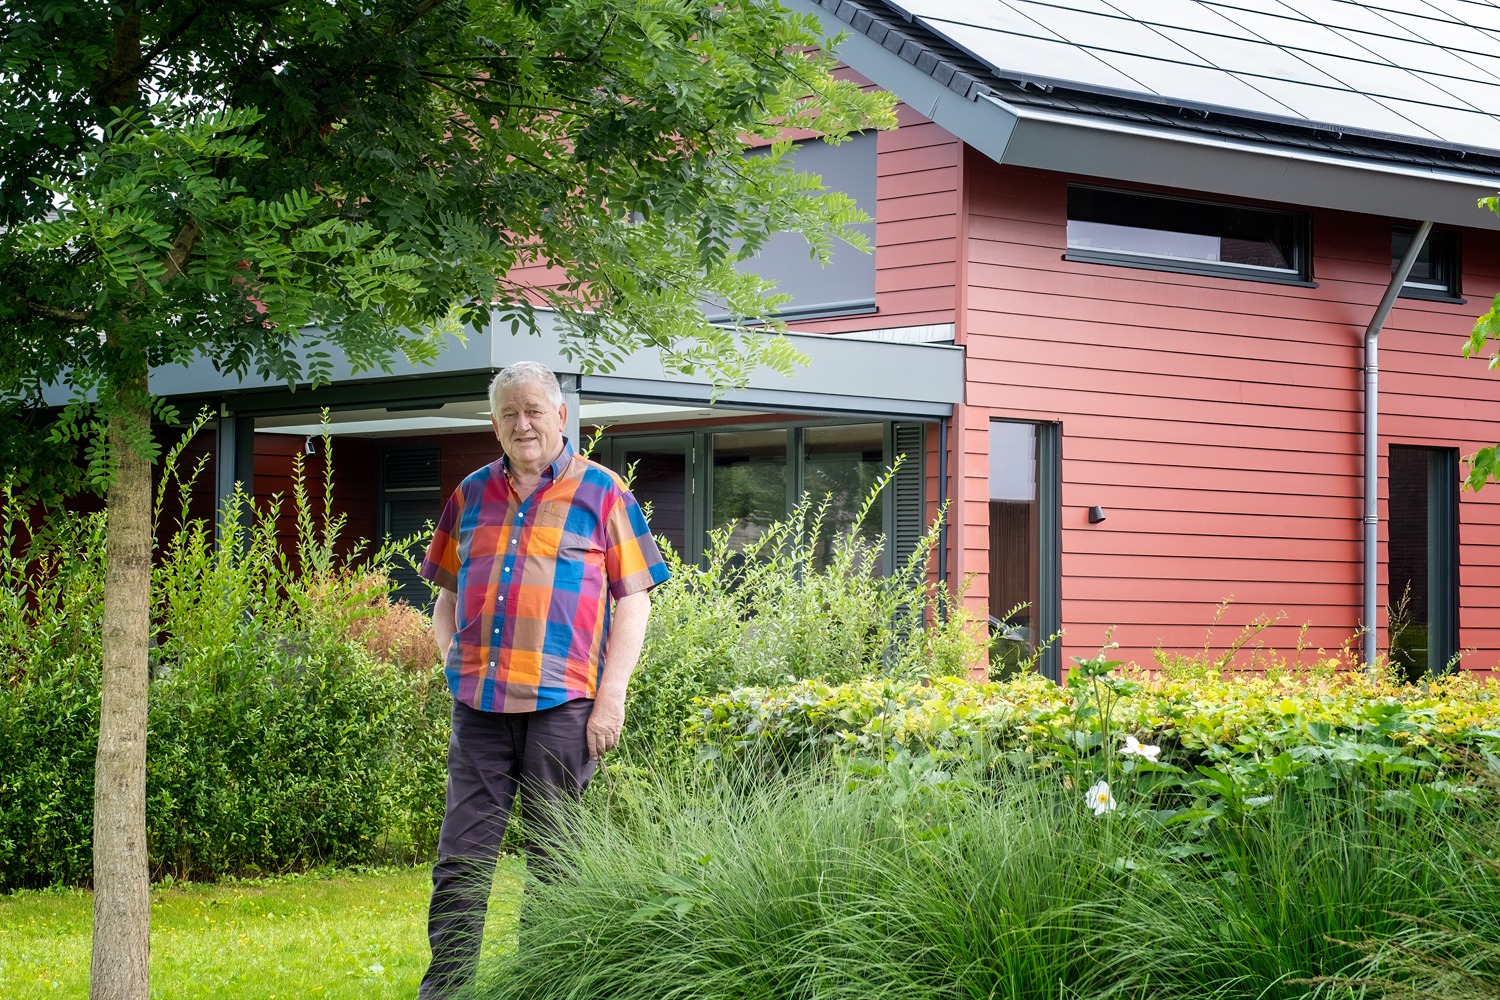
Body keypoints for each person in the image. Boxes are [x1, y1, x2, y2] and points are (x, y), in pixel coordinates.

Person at [416, 361, 669, 998]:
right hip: (480, 702)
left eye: (534, 411)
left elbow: (634, 599)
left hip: (564, 704)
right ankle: (447, 992)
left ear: (561, 416)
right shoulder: (470, 494)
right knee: (460, 861)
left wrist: (610, 697)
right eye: (509, 414)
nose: (523, 424)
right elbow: (444, 595)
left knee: (556, 862)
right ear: (494, 424)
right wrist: (453, 661)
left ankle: (542, 986)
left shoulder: (603, 492)